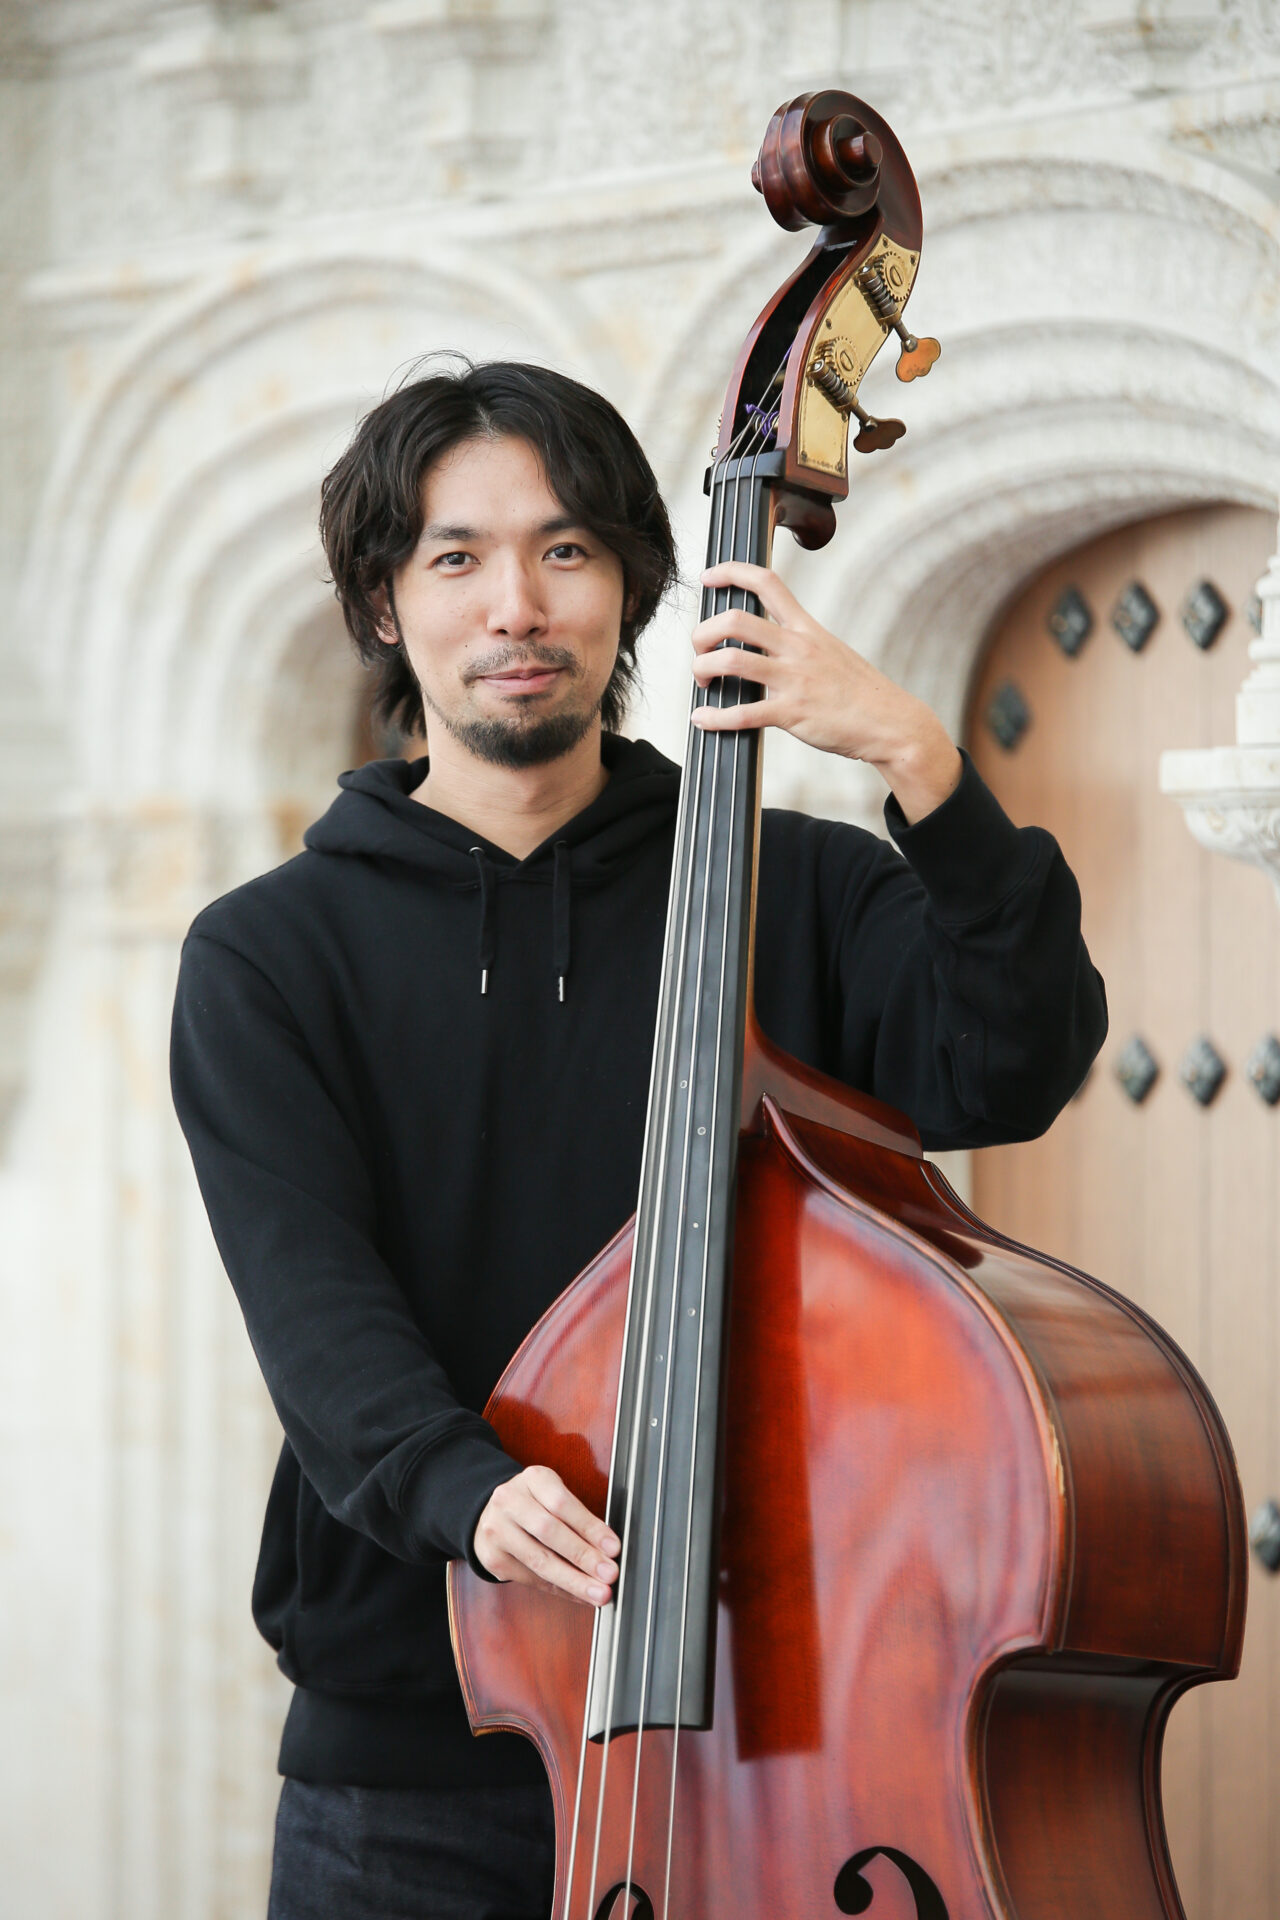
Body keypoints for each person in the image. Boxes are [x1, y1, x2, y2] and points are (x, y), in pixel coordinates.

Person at [170, 360, 1107, 1919]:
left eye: (567, 550)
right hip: (407, 1772)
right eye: (457, 558)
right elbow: (312, 1304)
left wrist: (918, 761)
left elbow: (1013, 1066)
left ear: (634, 588)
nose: (517, 607)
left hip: (782, 1749)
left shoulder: (794, 888)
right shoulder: (270, 955)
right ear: (386, 606)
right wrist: (461, 1488)